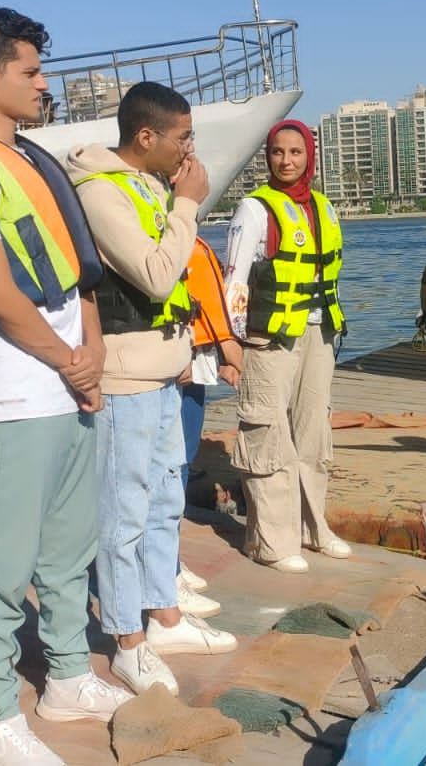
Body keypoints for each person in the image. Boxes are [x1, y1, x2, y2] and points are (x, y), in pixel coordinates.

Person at [0, 3, 131, 765]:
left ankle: (69, 674)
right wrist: (68, 358)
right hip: (15, 386)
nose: (45, 85)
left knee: (70, 546)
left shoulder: (34, 159)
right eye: (31, 71)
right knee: (5, 558)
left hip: (70, 378)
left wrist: (94, 347)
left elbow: (80, 273)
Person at [66, 81, 237, 688]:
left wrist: (186, 348)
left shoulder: (146, 186)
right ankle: (126, 637)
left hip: (164, 371)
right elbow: (158, 276)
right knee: (124, 512)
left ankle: (164, 613)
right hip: (126, 378)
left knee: (166, 502)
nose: (189, 148)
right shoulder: (101, 191)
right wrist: (189, 203)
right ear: (147, 137)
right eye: (182, 136)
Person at [224, 120, 352, 573]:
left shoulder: (324, 207)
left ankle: (313, 528)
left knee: (314, 431)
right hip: (269, 337)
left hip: (319, 333)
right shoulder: (254, 209)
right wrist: (233, 342)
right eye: (278, 152)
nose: (287, 160)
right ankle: (273, 543)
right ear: (268, 157)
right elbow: (235, 279)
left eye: (296, 152)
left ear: (309, 156)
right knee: (268, 433)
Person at [176, 233, 243, 598]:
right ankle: (162, 570)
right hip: (171, 364)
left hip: (196, 364)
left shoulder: (192, 237)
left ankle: (169, 560)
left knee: (181, 464)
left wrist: (220, 357)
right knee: (165, 470)